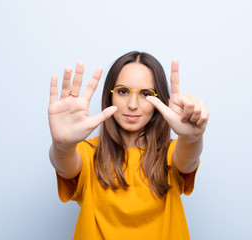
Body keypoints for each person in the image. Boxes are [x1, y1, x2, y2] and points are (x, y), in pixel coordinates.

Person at [48, 51, 209, 240]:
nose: (133, 105)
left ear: (159, 100)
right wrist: (62, 146)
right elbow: (64, 162)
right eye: (123, 91)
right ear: (110, 95)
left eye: (146, 94)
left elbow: (187, 158)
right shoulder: (88, 153)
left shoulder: (171, 154)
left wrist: (192, 138)